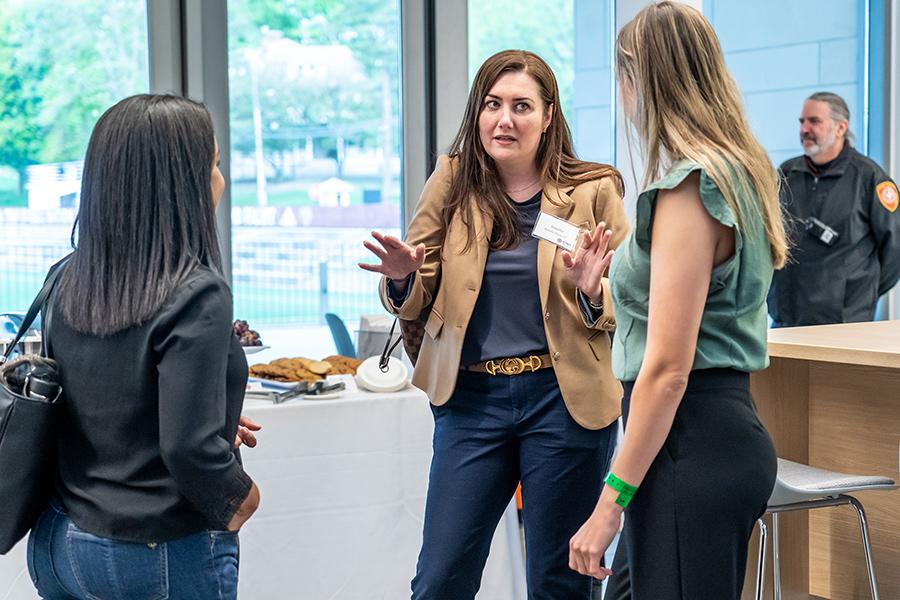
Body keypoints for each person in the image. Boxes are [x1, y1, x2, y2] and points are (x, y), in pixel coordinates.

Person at [360, 50, 628, 599]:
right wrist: (402, 279)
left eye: (522, 106)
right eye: (492, 104)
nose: (504, 119)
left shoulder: (594, 189)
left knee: (561, 582)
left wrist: (592, 289)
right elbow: (418, 281)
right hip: (472, 401)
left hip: (564, 400)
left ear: (549, 116)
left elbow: (625, 304)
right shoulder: (453, 180)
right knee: (440, 579)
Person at [567, 3, 785, 598]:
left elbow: (667, 370)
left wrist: (610, 504)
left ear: (638, 80)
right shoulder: (740, 173)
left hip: (689, 442)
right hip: (703, 436)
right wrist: (603, 289)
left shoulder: (690, 187)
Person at [27, 94, 261, 600]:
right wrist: (240, 499)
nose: (220, 179)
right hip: (152, 550)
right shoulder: (197, 290)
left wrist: (207, 410)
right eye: (214, 165)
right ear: (183, 183)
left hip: (57, 541)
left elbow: (96, 396)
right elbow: (188, 448)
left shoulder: (66, 276)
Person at [768, 91, 900, 327]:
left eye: (814, 121)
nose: (804, 129)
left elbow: (895, 252)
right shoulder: (787, 174)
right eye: (802, 122)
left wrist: (861, 293)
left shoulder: (870, 178)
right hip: (788, 319)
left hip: (845, 323)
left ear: (841, 128)